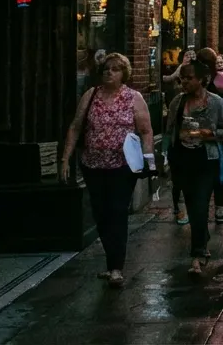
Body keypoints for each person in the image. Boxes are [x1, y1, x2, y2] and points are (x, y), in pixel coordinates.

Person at [60, 53, 155, 288]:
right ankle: (111, 260)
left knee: (117, 211)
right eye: (106, 69)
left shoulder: (133, 98)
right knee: (100, 213)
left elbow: (145, 130)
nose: (109, 73)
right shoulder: (90, 95)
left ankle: (116, 267)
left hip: (123, 166)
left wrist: (149, 159)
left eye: (114, 69)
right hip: (93, 164)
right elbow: (75, 126)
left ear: (124, 74)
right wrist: (65, 159)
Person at [165, 61, 223, 275]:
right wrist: (165, 157)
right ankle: (202, 239)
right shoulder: (177, 102)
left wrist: (205, 134)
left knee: (201, 204)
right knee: (192, 203)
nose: (184, 82)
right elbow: (169, 131)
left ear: (202, 79)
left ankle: (197, 254)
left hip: (206, 159)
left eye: (189, 78)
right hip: (182, 159)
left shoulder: (217, 103)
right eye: (182, 78)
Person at [196, 48, 223, 223]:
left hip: (208, 131)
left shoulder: (212, 79)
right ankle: (219, 207)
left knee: (211, 172)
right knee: (218, 170)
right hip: (214, 131)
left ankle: (211, 207)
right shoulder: (217, 78)